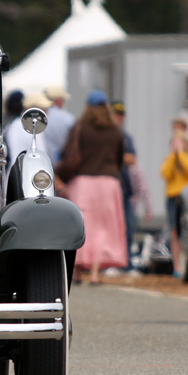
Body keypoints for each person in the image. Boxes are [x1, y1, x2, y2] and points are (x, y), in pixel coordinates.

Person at [54, 89, 127, 284]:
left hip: (83, 183)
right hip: (108, 184)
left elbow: (67, 153)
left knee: (82, 226)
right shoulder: (115, 130)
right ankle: (94, 273)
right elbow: (120, 158)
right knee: (103, 228)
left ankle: (77, 273)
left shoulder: (80, 127)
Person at [159, 116, 188, 278]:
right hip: (172, 198)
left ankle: (187, 264)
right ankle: (176, 266)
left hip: (187, 198)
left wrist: (181, 155)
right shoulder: (169, 159)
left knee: (187, 231)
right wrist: (173, 156)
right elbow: (165, 173)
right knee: (174, 232)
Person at [110, 101, 139, 274]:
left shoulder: (126, 137)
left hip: (125, 187)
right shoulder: (108, 136)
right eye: (116, 114)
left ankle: (127, 263)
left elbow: (132, 159)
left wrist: (117, 157)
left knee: (128, 226)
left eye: (121, 115)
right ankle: (113, 262)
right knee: (113, 226)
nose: (119, 118)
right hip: (112, 185)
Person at [4, 91, 52, 170]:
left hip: (13, 173)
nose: (47, 112)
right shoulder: (34, 128)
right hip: (29, 174)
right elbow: (42, 158)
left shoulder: (13, 125)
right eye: (43, 109)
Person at [43, 85, 76, 163]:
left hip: (44, 164)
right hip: (63, 165)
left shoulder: (41, 117)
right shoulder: (68, 118)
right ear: (58, 100)